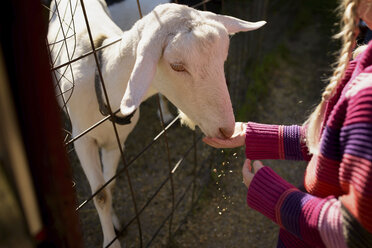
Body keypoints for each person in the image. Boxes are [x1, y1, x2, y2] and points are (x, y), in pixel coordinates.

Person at [203, 0, 372, 247]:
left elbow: (355, 233)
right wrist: (255, 135)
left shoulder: (367, 95)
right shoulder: (364, 62)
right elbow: (332, 142)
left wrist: (275, 196)